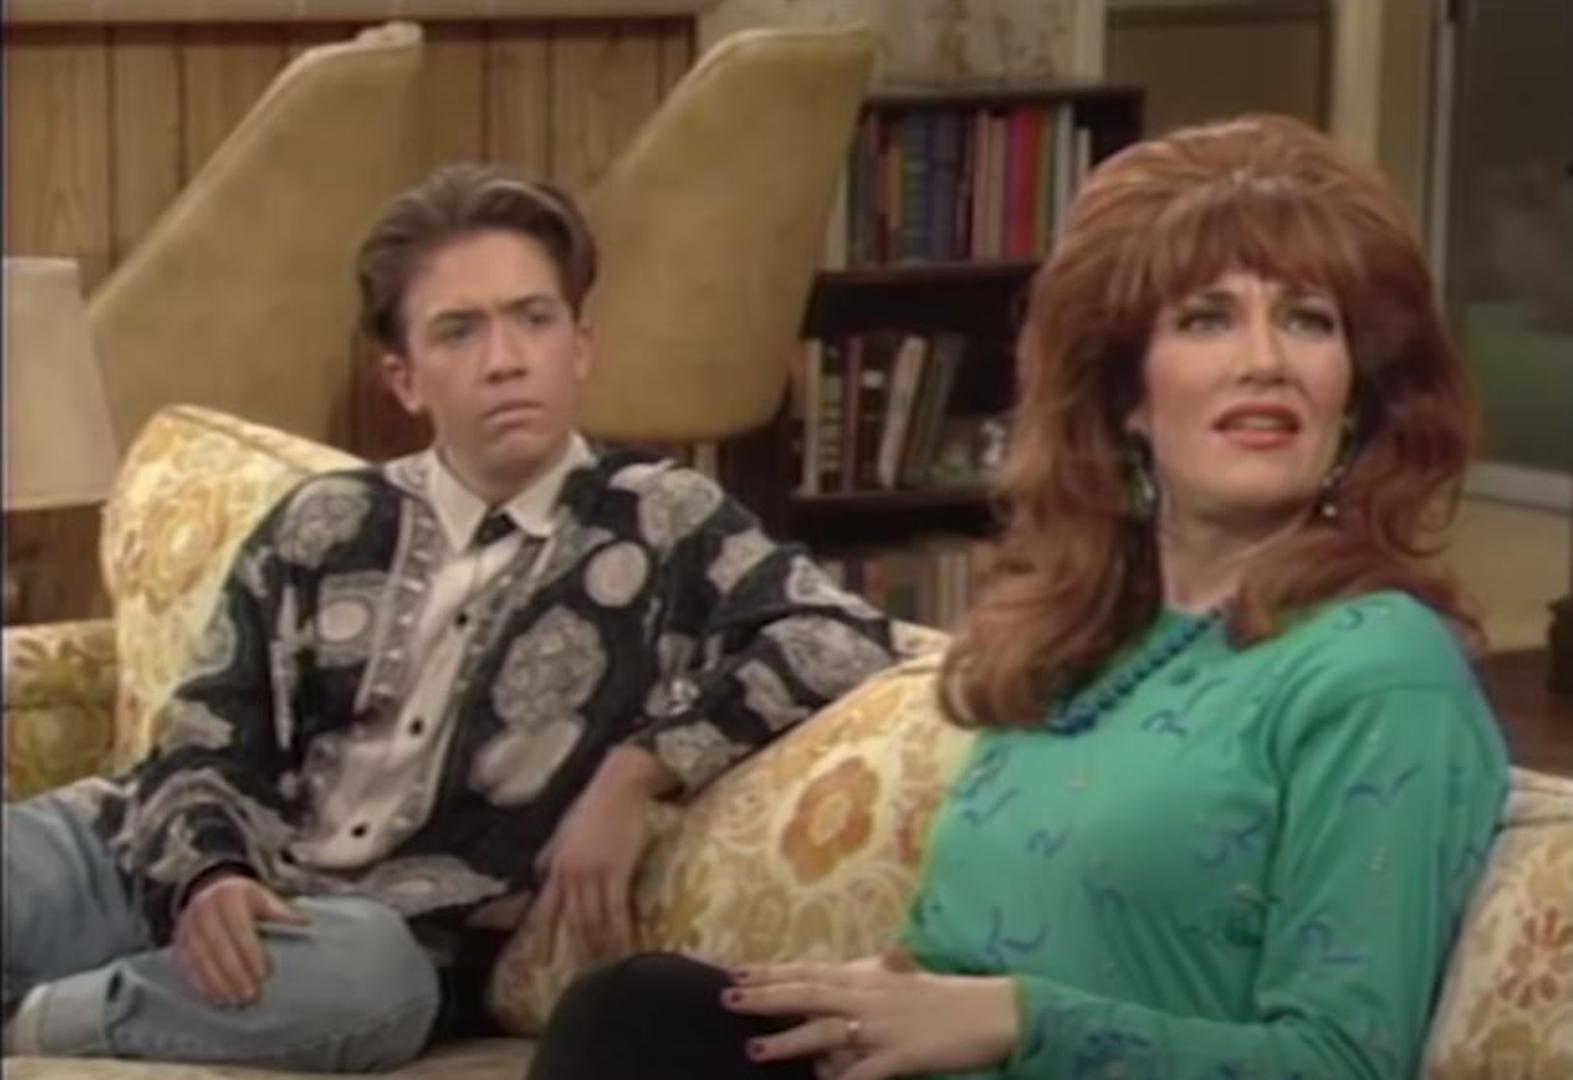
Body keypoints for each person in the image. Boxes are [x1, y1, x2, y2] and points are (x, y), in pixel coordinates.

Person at [528, 114, 1511, 1080]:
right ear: (1125, 395)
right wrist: (887, 994)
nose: (1265, 359)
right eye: (1207, 318)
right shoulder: (1083, 636)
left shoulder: (1379, 669)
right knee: (641, 1014)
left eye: (1307, 320)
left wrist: (1014, 1020)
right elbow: (961, 955)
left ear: (1354, 394)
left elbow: (1340, 1062)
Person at [1, 164, 897, 1072]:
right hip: (140, 863)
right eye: (459, 331)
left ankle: (39, 1016)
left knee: (373, 985)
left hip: (353, 943)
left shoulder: (662, 520)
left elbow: (839, 635)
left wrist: (638, 773)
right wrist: (209, 872)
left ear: (580, 347)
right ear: (405, 379)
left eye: (533, 318)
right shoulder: (326, 522)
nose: (505, 359)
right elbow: (206, 732)